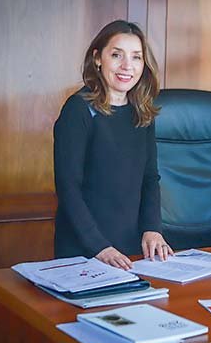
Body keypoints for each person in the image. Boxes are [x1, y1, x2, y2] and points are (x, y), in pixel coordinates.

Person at [53, 20, 173, 270]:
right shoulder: (78, 109)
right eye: (116, 55)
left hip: (131, 250)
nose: (127, 66)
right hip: (84, 249)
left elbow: (150, 178)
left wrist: (153, 229)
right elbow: (68, 189)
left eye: (136, 57)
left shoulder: (141, 110)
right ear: (98, 58)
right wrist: (99, 247)